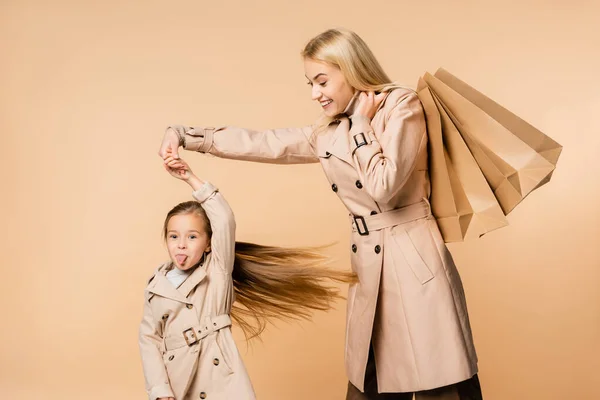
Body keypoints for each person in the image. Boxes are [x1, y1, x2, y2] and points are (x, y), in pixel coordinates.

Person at [158, 28, 483, 399]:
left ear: (351, 69)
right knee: (371, 379)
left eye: (322, 81)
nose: (315, 93)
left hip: (414, 264)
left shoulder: (402, 107)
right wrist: (184, 135)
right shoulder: (330, 128)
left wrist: (362, 125)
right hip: (368, 267)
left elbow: (383, 185)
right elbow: (268, 143)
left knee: (438, 382)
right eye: (310, 83)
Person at [139, 149, 356, 400]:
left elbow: (224, 219)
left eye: (192, 237)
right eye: (174, 236)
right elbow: (149, 341)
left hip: (221, 380)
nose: (181, 244)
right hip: (177, 381)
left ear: (209, 244)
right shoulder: (156, 287)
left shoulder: (217, 270)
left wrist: (190, 178)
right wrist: (159, 389)